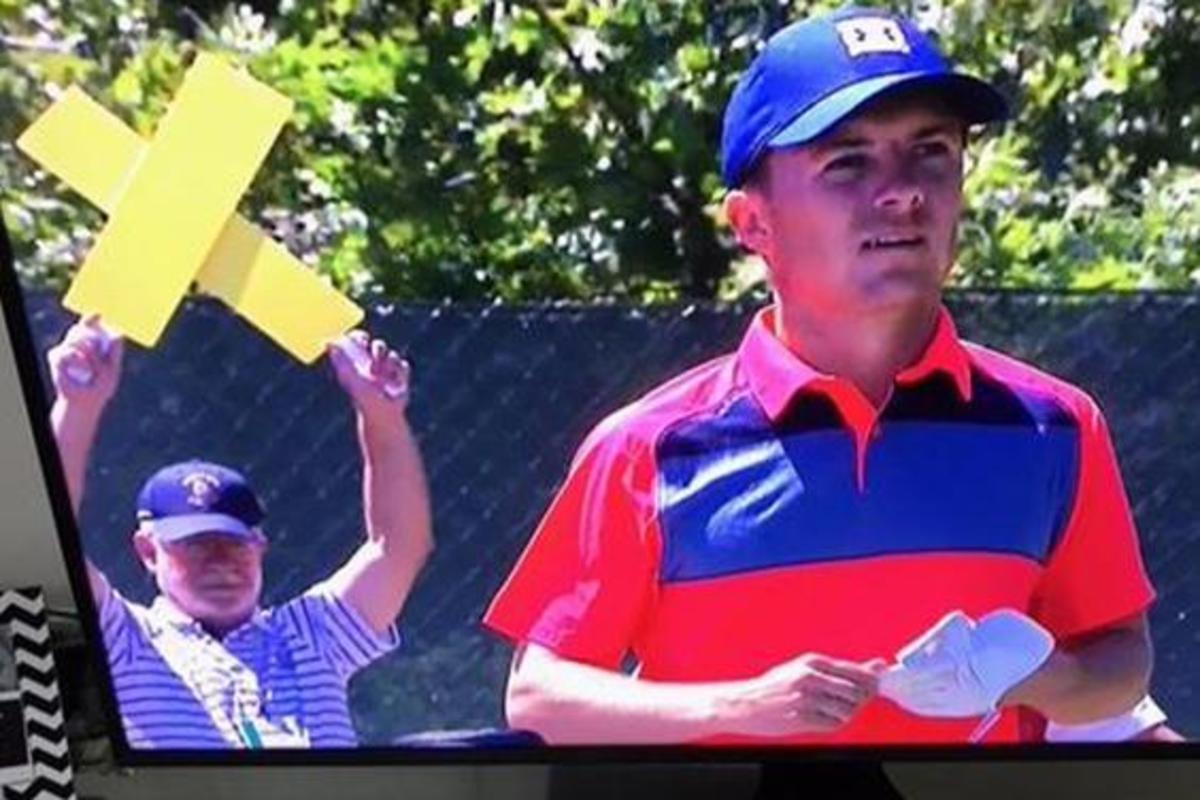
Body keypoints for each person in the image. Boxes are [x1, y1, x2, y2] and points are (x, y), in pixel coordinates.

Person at [483, 6, 1173, 745]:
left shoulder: (1054, 427)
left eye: (932, 151)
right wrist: (740, 706)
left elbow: (1121, 662)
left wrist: (1028, 676)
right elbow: (540, 697)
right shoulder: (649, 449)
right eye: (848, 162)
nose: (904, 191)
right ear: (752, 224)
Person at [48, 316, 433, 748]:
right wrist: (76, 408)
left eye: (233, 542)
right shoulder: (125, 641)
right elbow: (47, 541)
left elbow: (398, 547)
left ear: (260, 546)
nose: (220, 560)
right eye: (195, 544)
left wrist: (381, 414)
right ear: (148, 551)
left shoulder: (312, 633)